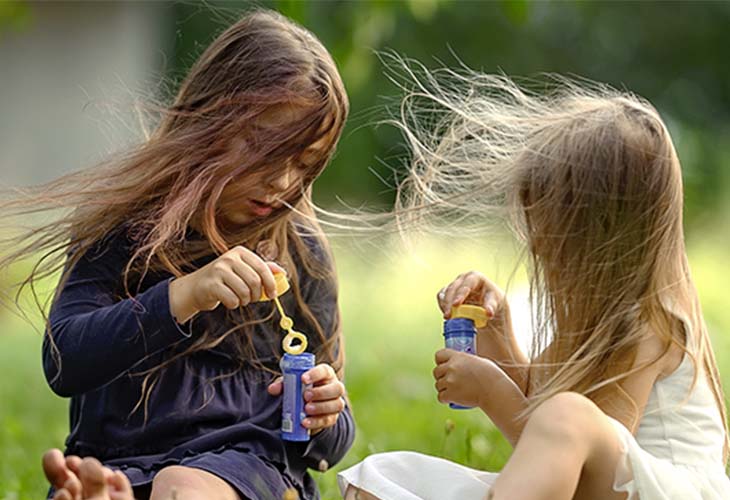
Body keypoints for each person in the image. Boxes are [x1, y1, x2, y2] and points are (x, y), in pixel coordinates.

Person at [1, 9, 354, 500]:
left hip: (250, 473)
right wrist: (182, 296)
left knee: (183, 486)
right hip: (123, 465)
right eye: (264, 149)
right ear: (210, 118)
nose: (282, 181)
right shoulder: (123, 225)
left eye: (305, 164)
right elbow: (65, 361)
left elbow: (329, 448)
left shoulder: (302, 252)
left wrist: (327, 414)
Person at [338, 69, 730, 499]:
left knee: (567, 414)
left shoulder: (648, 325)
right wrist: (499, 332)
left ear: (604, 237)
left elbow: (578, 460)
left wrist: (490, 390)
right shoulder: (593, 319)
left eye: (553, 234)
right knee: (383, 478)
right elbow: (545, 435)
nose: (539, 249)